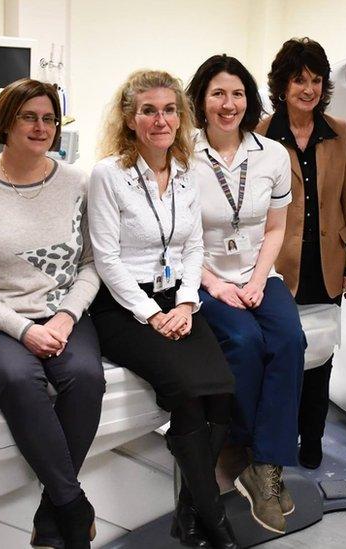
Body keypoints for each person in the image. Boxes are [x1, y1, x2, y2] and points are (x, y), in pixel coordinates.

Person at [0, 78, 104, 549]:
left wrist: (65, 317)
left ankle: (51, 512)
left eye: (49, 118)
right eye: (29, 117)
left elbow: (90, 264)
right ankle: (73, 506)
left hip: (60, 315)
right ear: (6, 123)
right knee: (19, 378)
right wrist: (23, 330)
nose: (41, 127)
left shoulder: (76, 181)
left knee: (85, 377)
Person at [88, 69, 237, 549]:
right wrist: (151, 313)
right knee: (189, 394)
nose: (161, 119)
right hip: (123, 307)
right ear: (130, 119)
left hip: (180, 301)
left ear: (181, 116)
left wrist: (189, 302)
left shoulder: (188, 172)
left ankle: (189, 514)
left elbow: (194, 246)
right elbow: (105, 258)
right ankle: (212, 520)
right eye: (149, 110)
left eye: (170, 109)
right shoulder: (108, 175)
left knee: (222, 394)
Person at [187, 54, 306, 535]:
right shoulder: (181, 156)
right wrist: (215, 284)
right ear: (201, 100)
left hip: (259, 273)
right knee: (242, 342)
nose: (228, 103)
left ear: (249, 100)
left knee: (290, 340)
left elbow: (276, 227)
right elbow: (174, 235)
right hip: (203, 275)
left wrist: (258, 279)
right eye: (218, 93)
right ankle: (253, 454)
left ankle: (264, 467)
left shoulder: (272, 156)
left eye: (237, 94)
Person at [257, 37, 346, 470]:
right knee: (282, 354)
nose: (308, 89)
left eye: (316, 80)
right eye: (299, 79)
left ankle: (313, 437)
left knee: (321, 356)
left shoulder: (341, 132)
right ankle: (277, 438)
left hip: (327, 263)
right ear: (282, 85)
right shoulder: (262, 133)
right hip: (279, 267)